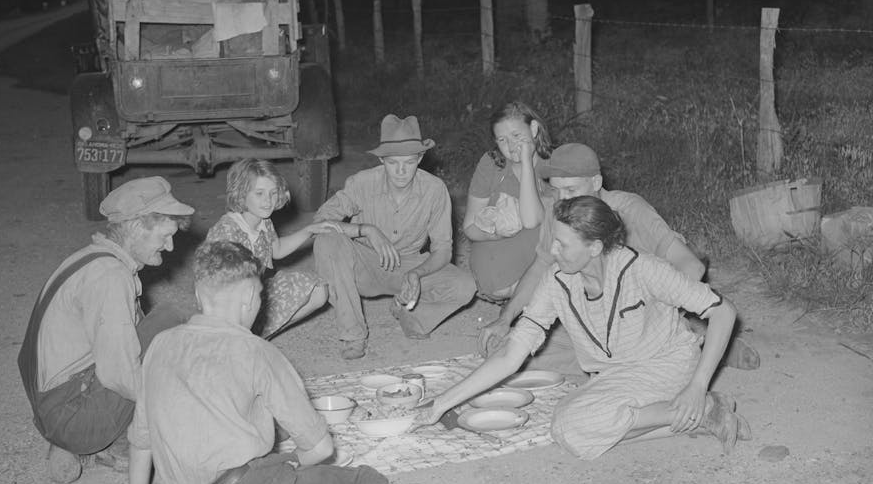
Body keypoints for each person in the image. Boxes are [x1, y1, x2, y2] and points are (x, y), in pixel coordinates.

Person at [95, 240, 461, 484]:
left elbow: (141, 441)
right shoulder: (256, 352)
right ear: (249, 299)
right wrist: (287, 473)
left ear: (199, 293)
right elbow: (320, 448)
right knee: (364, 480)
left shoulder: (159, 346)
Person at [417, 196, 752, 459]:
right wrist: (442, 402)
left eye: (563, 244)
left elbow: (724, 313)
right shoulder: (557, 281)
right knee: (573, 432)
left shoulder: (643, 269)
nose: (552, 250)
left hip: (666, 365)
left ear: (595, 248)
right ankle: (702, 414)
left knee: (572, 423)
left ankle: (700, 404)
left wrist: (697, 385)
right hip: (617, 376)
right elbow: (511, 353)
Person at [477, 143, 761, 372]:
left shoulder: (629, 209)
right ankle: (691, 345)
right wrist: (506, 318)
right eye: (556, 189)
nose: (562, 198)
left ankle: (699, 343)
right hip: (598, 318)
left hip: (646, 314)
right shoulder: (561, 214)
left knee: (605, 366)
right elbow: (541, 266)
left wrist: (652, 318)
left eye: (571, 189)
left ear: (597, 182)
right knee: (515, 353)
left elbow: (692, 265)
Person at [18, 176, 193, 484]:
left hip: (53, 407)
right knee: (171, 325)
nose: (170, 245)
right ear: (137, 226)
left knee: (156, 327)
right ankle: (107, 439)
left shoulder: (90, 258)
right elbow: (119, 375)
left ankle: (83, 440)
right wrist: (182, 408)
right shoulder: (112, 277)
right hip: (74, 416)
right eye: (165, 235)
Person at [312, 114, 477, 359]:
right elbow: (319, 222)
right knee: (327, 241)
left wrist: (417, 273)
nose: (401, 171)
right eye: (392, 163)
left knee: (465, 285)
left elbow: (443, 249)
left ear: (420, 158)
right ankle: (353, 334)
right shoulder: (362, 183)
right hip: (363, 266)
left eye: (409, 162)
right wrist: (366, 230)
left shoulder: (434, 189)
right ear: (381, 159)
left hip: (408, 266)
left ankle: (410, 315)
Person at [206, 158, 334, 338]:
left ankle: (262, 335)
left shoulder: (264, 222)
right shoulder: (227, 231)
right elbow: (216, 287)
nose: (268, 201)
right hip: (230, 305)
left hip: (256, 294)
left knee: (319, 290)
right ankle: (240, 338)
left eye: (273, 193)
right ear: (241, 194)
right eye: (259, 193)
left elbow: (277, 249)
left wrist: (309, 231)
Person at [463, 101, 558, 301]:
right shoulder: (491, 163)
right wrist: (497, 232)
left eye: (516, 136)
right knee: (497, 286)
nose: (511, 146)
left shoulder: (554, 165)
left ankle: (528, 296)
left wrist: (526, 164)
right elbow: (470, 227)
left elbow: (531, 221)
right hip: (497, 243)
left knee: (547, 215)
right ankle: (525, 296)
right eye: (502, 140)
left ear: (533, 129)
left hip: (538, 244)